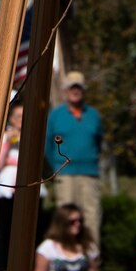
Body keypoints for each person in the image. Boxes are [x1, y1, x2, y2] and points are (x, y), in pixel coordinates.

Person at [43, 73, 104, 253]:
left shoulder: (93, 115)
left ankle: (91, 257)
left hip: (89, 173)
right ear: (65, 91)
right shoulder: (56, 115)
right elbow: (48, 145)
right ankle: (65, 255)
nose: (75, 91)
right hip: (65, 173)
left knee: (91, 216)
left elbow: (98, 142)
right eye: (71, 87)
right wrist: (56, 166)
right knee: (66, 215)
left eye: (78, 87)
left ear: (83, 90)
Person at [0, 101, 23, 271]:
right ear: (11, 119)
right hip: (5, 187)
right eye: (18, 116)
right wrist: (7, 143)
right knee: (5, 228)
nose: (21, 120)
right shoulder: (4, 138)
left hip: (26, 185)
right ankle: (1, 267)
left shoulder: (31, 136)